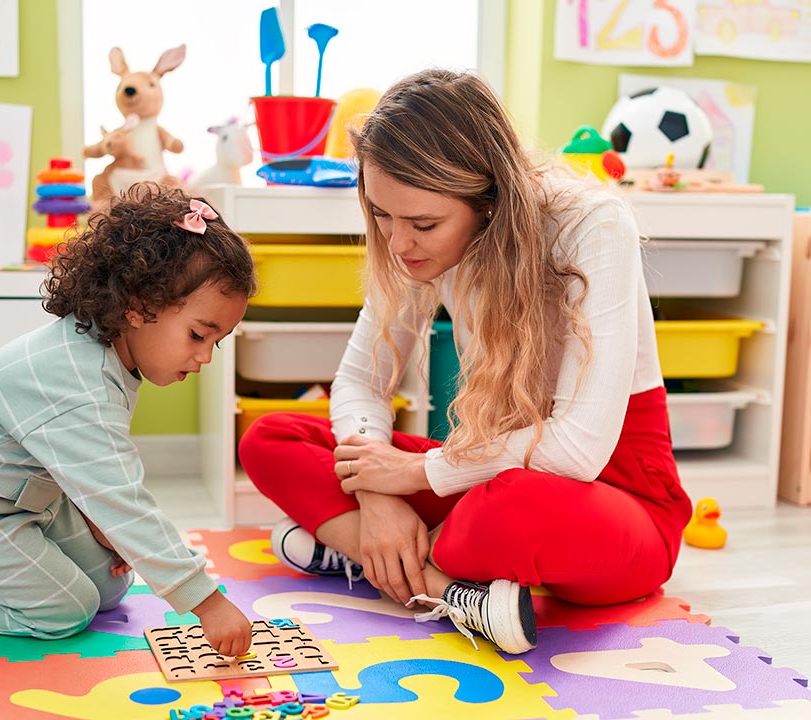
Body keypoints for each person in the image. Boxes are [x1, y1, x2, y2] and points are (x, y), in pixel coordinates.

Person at [238, 70, 693, 655]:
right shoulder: (413, 245)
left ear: (489, 201)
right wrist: (378, 499)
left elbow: (578, 451)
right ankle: (436, 581)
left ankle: (363, 553)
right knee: (272, 436)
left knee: (504, 510)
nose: (400, 242)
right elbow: (359, 381)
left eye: (424, 224)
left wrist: (413, 477)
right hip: (487, 471)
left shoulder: (592, 225)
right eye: (381, 215)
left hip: (617, 498)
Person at [0, 184, 256, 657]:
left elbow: (91, 474)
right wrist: (207, 603)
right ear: (137, 306)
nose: (205, 357)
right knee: (63, 612)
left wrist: (106, 530)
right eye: (199, 335)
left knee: (111, 587)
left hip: (20, 497)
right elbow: (120, 497)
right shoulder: (76, 382)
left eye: (215, 343)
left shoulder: (107, 351)